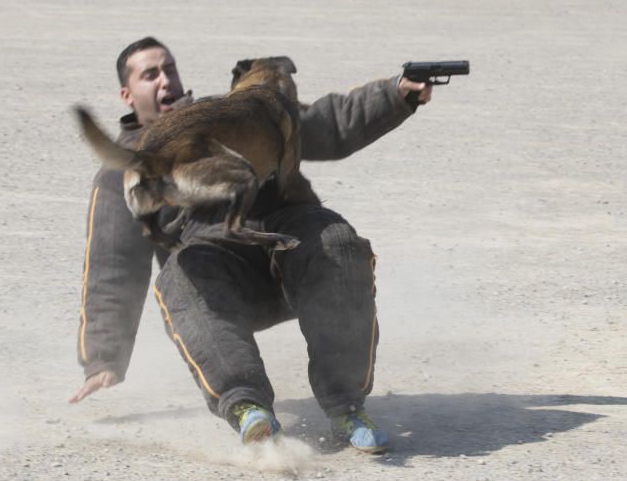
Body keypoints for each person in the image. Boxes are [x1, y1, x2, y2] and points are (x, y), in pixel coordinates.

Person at [70, 37, 435, 453]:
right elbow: (112, 264)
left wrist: (394, 95)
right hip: (222, 281)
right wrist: (104, 357)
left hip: (290, 248)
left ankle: (347, 406)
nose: (164, 79)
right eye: (149, 74)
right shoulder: (122, 173)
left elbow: (319, 123)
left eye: (169, 68)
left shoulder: (226, 112)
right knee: (182, 278)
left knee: (338, 242)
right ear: (127, 93)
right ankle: (247, 408)